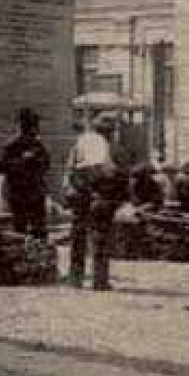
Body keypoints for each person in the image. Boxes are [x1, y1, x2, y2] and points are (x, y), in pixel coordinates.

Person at [66, 114, 126, 290]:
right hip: (98, 194)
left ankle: (75, 278)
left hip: (80, 193)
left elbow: (71, 168)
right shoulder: (104, 146)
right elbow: (104, 171)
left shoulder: (81, 142)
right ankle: (99, 280)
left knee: (78, 236)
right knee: (100, 238)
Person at [0, 107, 51, 237]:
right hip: (19, 194)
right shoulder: (12, 145)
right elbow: (1, 167)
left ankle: (37, 255)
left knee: (39, 230)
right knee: (20, 230)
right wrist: (22, 161)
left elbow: (46, 165)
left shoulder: (38, 145)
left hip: (35, 193)